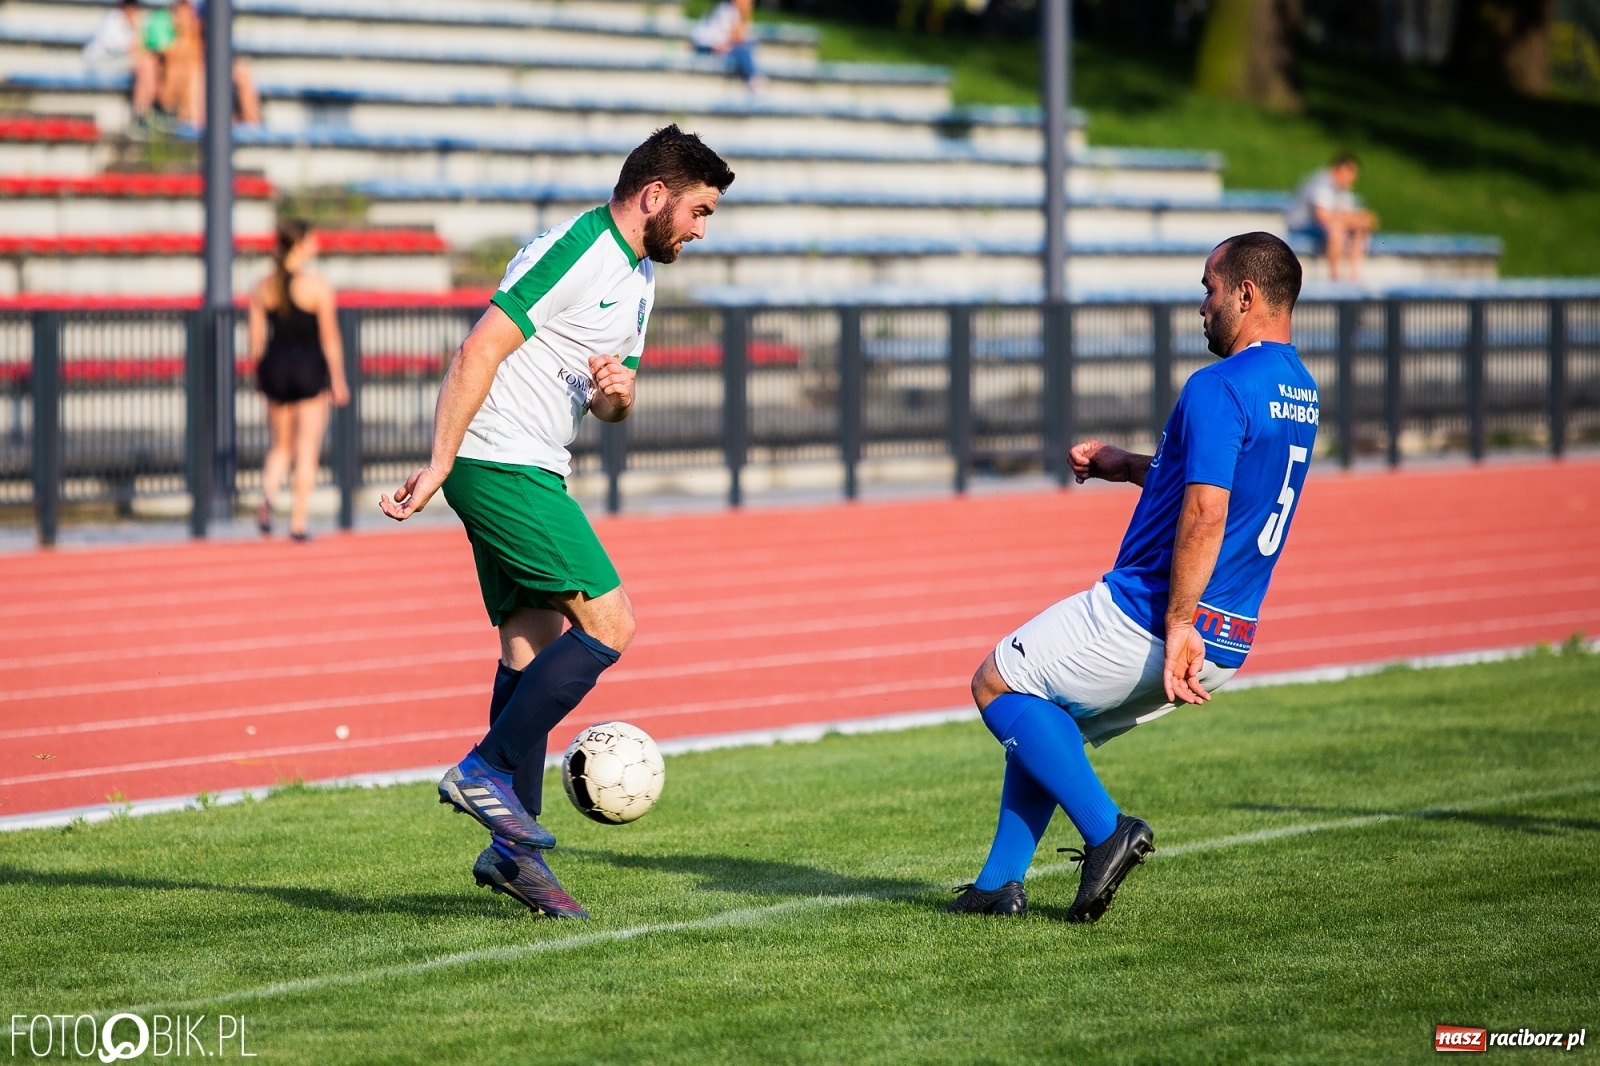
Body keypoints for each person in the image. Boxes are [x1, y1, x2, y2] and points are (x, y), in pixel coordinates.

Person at [379, 125, 735, 918]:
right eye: (699, 212)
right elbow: (478, 349)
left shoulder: (639, 276)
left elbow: (610, 403)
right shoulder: (575, 248)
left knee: (528, 647)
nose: (701, 231)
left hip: (532, 462)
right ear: (655, 196)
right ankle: (487, 771)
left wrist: (618, 393)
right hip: (498, 460)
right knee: (611, 623)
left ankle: (515, 856)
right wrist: (439, 463)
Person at [946, 232, 1318, 923]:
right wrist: (1125, 465)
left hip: (1155, 614)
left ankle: (1107, 830)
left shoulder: (1218, 384)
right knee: (1044, 725)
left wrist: (1179, 623)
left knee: (998, 683)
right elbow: (1215, 479)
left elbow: (1207, 511)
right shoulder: (1298, 390)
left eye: (1209, 289)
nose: (1201, 306)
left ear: (1246, 294)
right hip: (1229, 639)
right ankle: (998, 884)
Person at [248, 220, 349, 542]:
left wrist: (260, 376)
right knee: (307, 448)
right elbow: (330, 338)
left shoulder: (264, 286)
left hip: (275, 367)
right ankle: (298, 522)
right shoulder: (316, 285)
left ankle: (267, 499)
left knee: (280, 446)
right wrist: (338, 380)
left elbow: (255, 342)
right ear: (300, 243)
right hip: (308, 369)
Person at [1287, 153, 1378, 282]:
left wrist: (1359, 220)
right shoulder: (1321, 183)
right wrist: (1354, 219)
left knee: (1358, 230)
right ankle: (1334, 278)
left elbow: (1352, 215)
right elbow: (1322, 216)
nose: (1352, 179)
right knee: (1336, 230)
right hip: (1301, 225)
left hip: (1319, 225)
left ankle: (1354, 277)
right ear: (1341, 169)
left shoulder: (1342, 189)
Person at [81, 0, 158, 125]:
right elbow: (126, 48)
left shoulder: (129, 22)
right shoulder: (114, 20)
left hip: (116, 61)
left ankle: (145, 110)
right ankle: (142, 112)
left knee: (149, 64)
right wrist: (138, 28)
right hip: (101, 63)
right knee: (146, 65)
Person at [691, 0, 763, 88]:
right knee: (743, 51)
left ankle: (753, 79)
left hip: (712, 45)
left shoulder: (730, 10)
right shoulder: (727, 10)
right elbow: (737, 36)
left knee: (746, 49)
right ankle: (753, 79)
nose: (750, 3)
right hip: (706, 47)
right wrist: (747, 14)